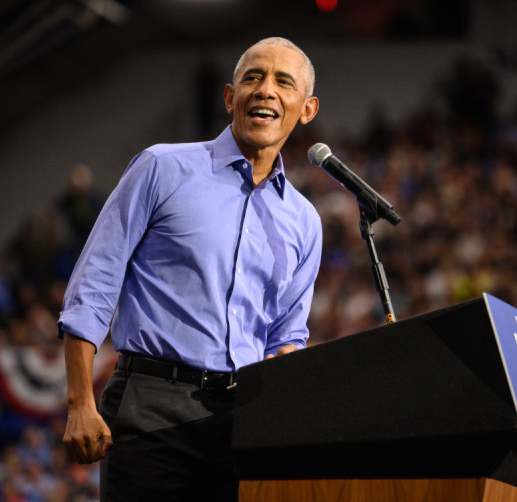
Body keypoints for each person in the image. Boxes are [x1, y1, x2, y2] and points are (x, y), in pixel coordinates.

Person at [58, 36, 322, 501]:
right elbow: (94, 284)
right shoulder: (162, 168)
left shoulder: (304, 221)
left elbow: (287, 337)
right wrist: (80, 401)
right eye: (253, 78)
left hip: (247, 419)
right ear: (229, 96)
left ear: (306, 110)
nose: (265, 90)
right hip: (152, 407)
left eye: (284, 82)